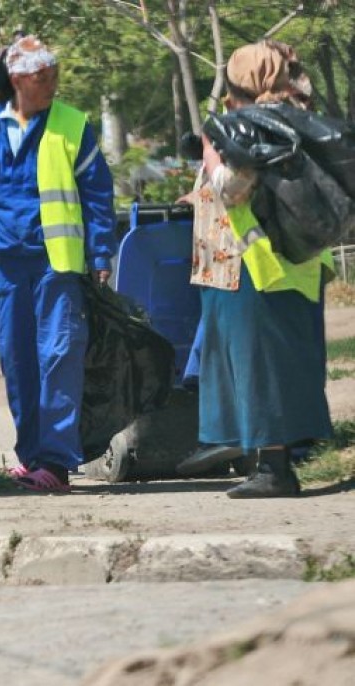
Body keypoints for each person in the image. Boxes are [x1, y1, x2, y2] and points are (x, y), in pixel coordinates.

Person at [0, 35, 116, 493]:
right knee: (17, 358)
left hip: (56, 264)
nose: (52, 85)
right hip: (7, 264)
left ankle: (56, 463)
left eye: (54, 76)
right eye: (43, 78)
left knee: (58, 355)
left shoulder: (72, 126)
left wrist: (100, 253)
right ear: (17, 80)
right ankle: (32, 455)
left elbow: (97, 194)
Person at [178, 40, 333, 498]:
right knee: (283, 363)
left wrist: (210, 151)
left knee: (258, 367)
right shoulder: (298, 115)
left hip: (254, 262)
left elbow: (233, 185)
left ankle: (275, 469)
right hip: (296, 259)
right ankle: (271, 457)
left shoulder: (252, 123)